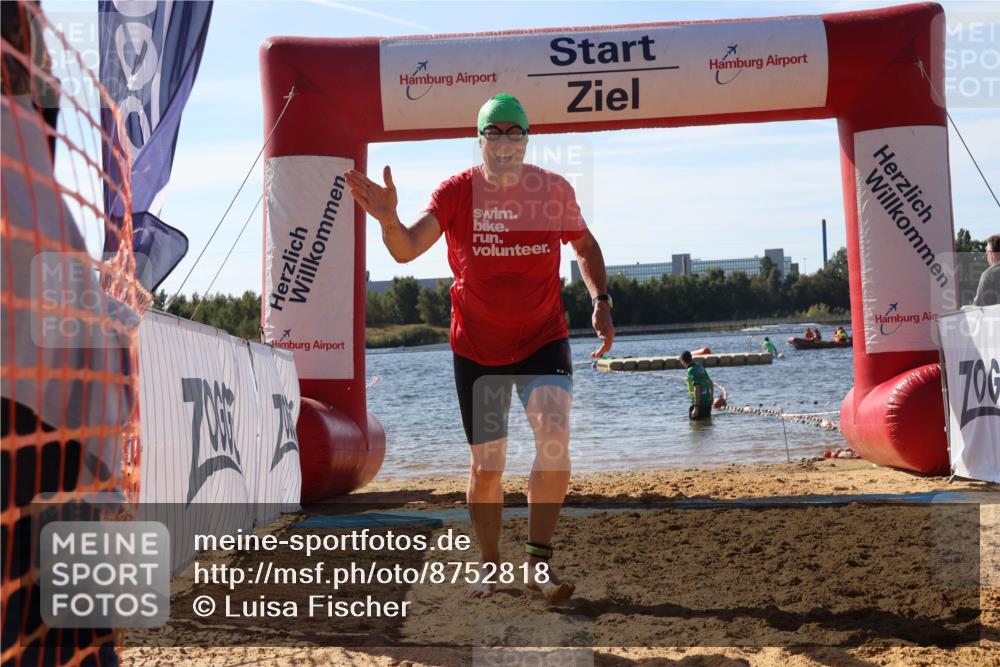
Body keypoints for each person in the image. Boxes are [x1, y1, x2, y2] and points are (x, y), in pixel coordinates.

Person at [344, 94, 614, 603]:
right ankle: (489, 568)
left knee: (553, 441)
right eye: (496, 133)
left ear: (527, 140)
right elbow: (405, 249)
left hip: (542, 338)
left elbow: (585, 246)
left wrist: (600, 299)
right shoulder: (456, 193)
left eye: (516, 133)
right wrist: (386, 219)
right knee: (488, 468)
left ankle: (537, 563)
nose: (506, 142)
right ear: (481, 140)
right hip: (477, 345)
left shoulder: (552, 191)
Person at [679, 351, 714, 420]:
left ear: (683, 361)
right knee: (706, 426)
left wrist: (696, 408)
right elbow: (710, 382)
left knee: (695, 427)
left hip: (699, 405)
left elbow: (697, 388)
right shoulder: (700, 366)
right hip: (707, 402)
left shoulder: (691, 370)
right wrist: (711, 397)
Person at [973, 234, 1000, 307]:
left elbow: (978, 308)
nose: (986, 255)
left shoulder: (989, 275)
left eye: (987, 252)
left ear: (993, 254)